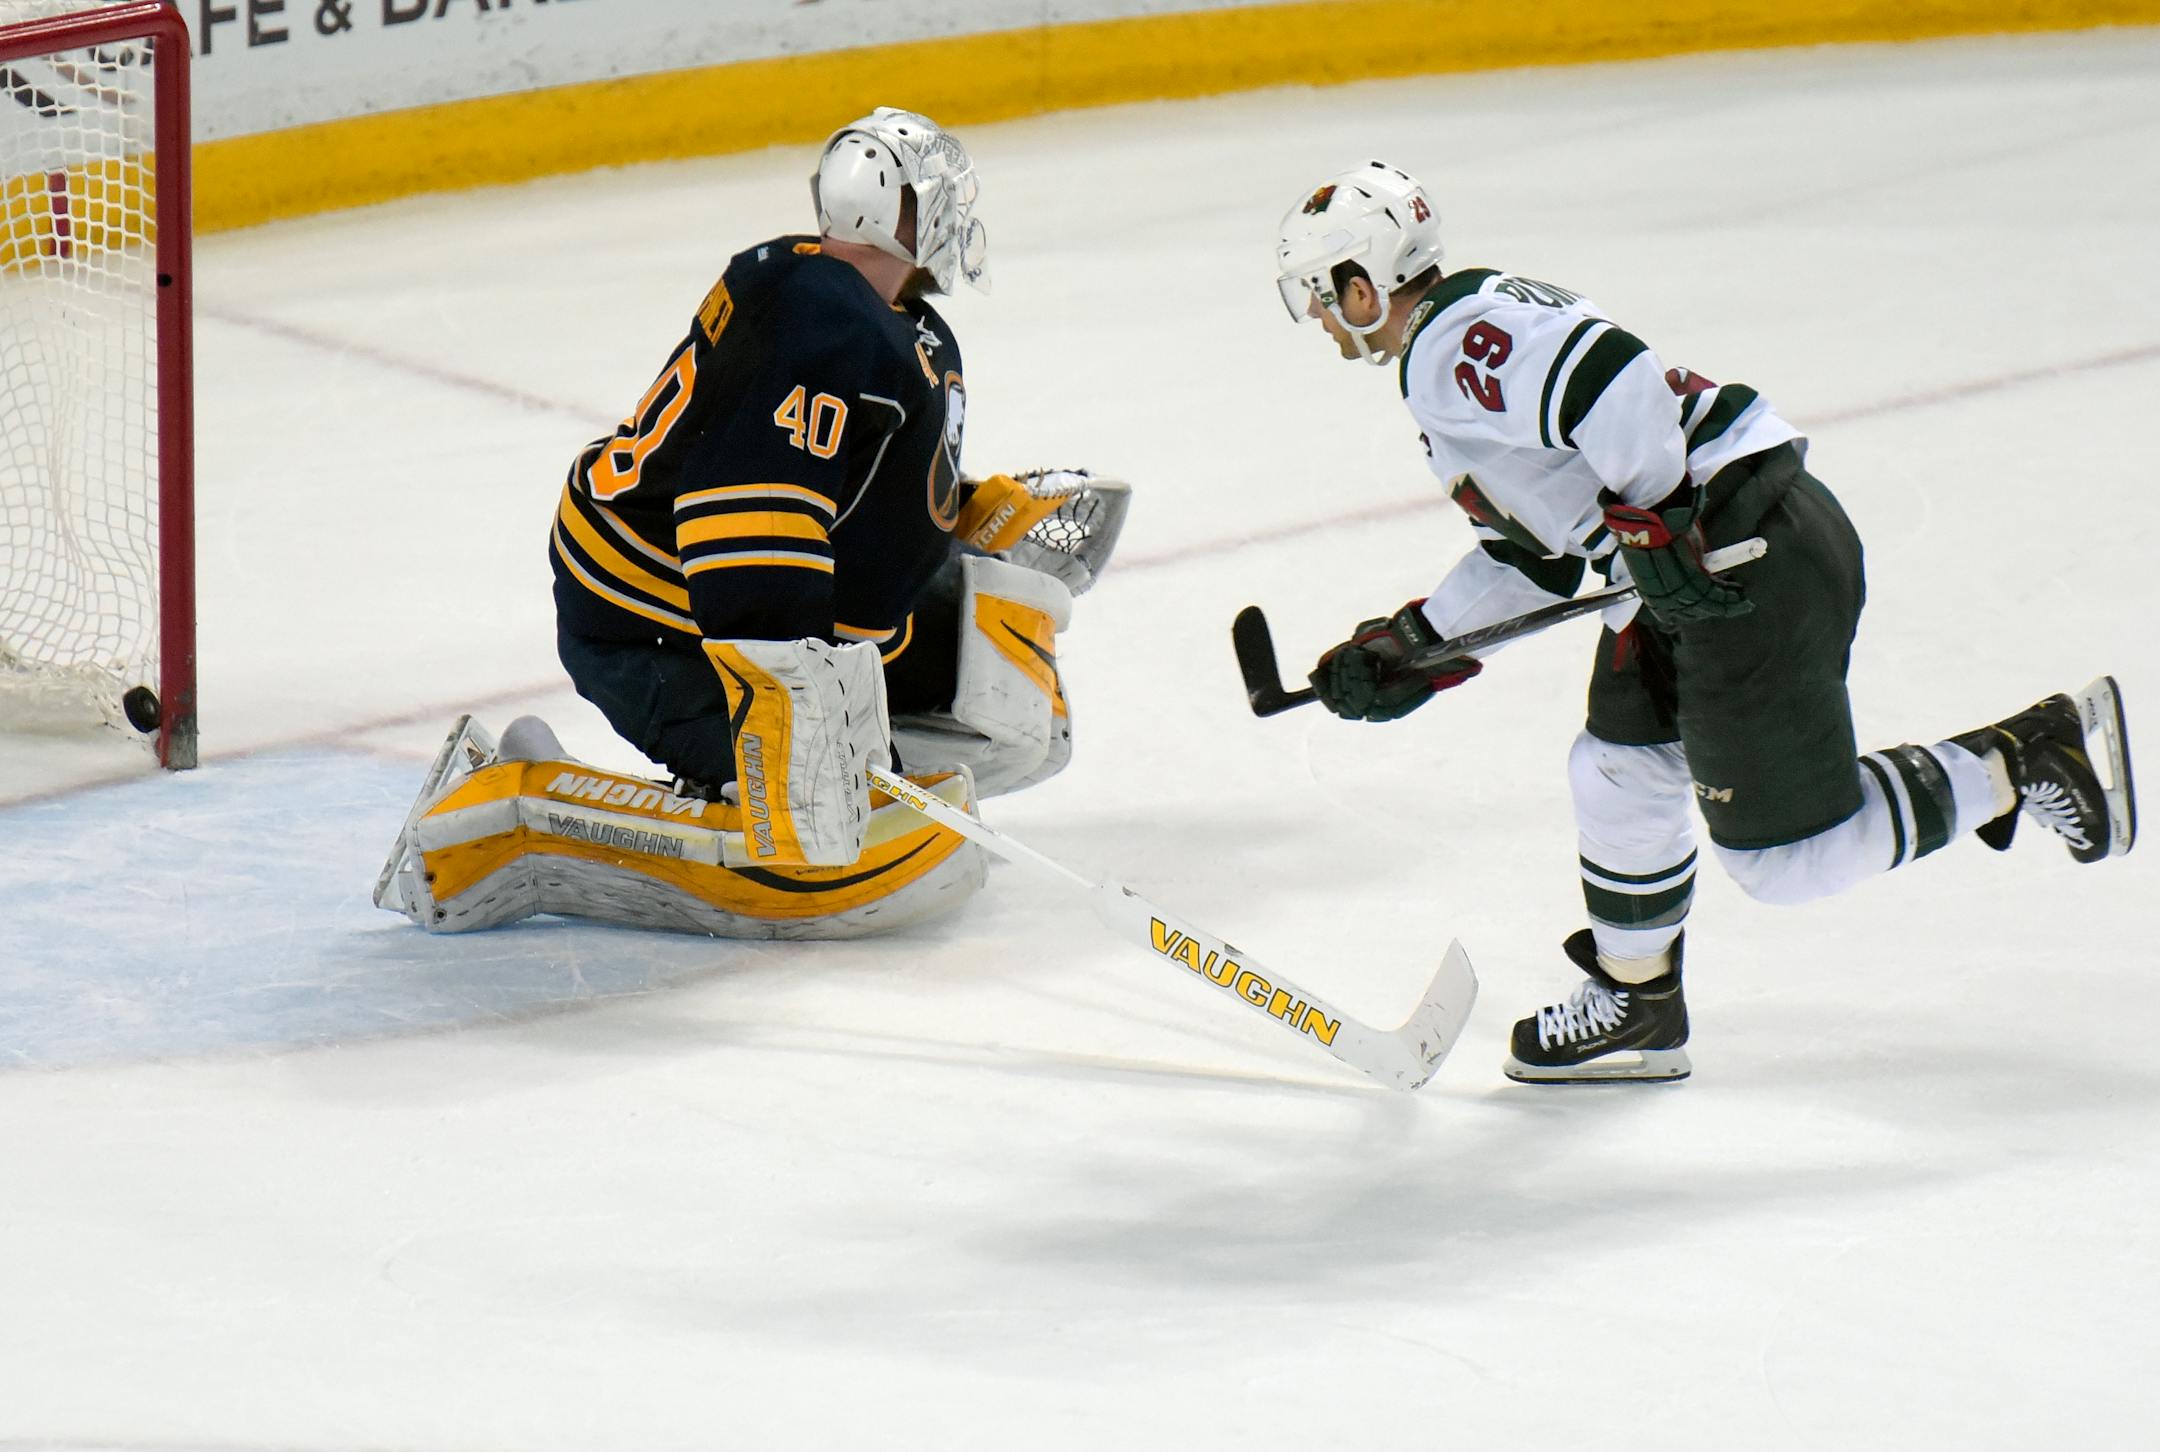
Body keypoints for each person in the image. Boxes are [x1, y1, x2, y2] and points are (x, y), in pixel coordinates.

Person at [1269, 160, 2137, 1083]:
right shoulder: (1463, 336)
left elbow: (1615, 378)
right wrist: (1414, 643)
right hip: (1725, 551)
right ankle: (1638, 1000)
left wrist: (1659, 523)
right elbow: (1542, 555)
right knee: (1617, 769)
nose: (1321, 320)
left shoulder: (1451, 344)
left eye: (1324, 298)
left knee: (1789, 863)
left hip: (1741, 561)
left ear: (1363, 287)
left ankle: (2023, 758)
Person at [374, 107, 1129, 941]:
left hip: (773, 605)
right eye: (932, 199)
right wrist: (793, 690)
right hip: (656, 617)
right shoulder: (816, 315)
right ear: (888, 212)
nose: (953, 217)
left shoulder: (887, 323)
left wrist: (970, 518)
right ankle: (522, 801)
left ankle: (826, 764)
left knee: (1018, 723)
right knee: (811, 841)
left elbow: (849, 483)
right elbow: (748, 510)